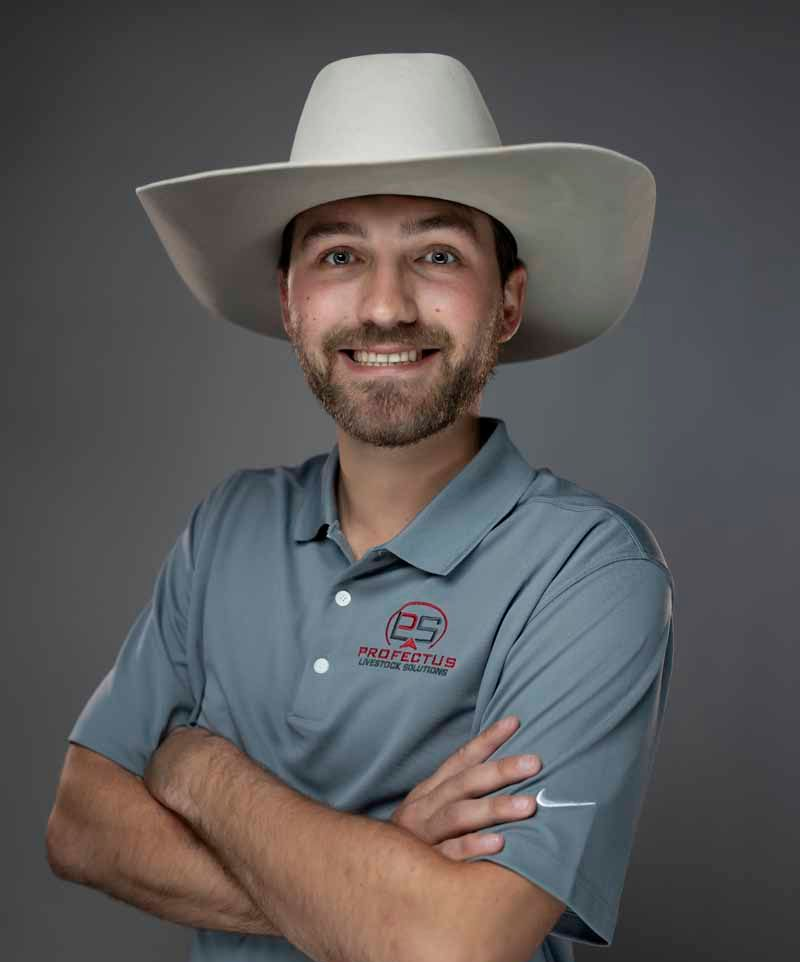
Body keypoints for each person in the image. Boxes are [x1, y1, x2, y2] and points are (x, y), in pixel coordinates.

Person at [47, 53, 675, 962]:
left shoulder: (591, 572)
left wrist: (195, 766)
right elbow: (79, 828)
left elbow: (451, 945)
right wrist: (376, 876)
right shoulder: (228, 526)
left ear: (507, 303)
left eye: (437, 255)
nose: (385, 307)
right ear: (290, 302)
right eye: (340, 256)